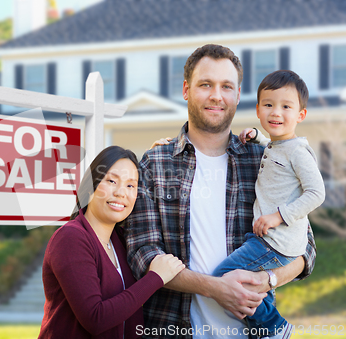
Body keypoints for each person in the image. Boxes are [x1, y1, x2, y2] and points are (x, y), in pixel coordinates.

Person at [125, 44, 317, 339]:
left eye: (226, 86)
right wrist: (217, 288)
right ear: (187, 90)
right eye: (206, 85)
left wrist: (268, 279)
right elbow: (142, 253)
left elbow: (305, 246)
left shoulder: (262, 159)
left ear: (238, 95)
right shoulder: (155, 163)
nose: (217, 95)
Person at [210, 70, 326, 339]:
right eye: (269, 105)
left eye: (286, 106)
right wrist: (257, 138)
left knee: (224, 276)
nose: (276, 112)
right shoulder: (276, 145)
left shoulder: (298, 151)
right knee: (258, 289)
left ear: (300, 115)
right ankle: (264, 334)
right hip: (267, 238)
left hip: (276, 241)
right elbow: (276, 155)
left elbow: (316, 193)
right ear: (258, 110)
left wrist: (278, 216)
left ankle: (274, 327)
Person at [39, 145, 185, 339]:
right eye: (111, 181)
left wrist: (163, 152)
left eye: (130, 185)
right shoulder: (70, 238)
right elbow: (96, 319)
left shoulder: (121, 240)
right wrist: (155, 278)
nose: (120, 192)